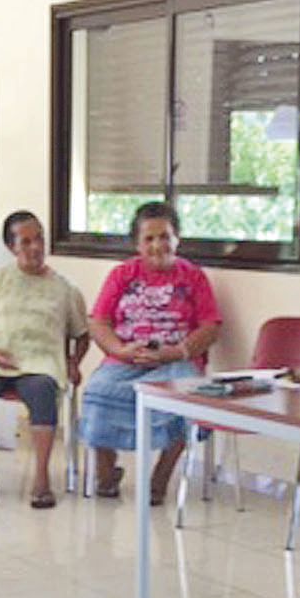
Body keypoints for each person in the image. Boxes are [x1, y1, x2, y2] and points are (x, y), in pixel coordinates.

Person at [79, 201, 221, 503]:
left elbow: (210, 327)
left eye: (165, 237)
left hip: (176, 360)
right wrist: (122, 350)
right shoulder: (122, 274)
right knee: (96, 390)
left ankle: (160, 477)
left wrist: (176, 352)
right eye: (149, 239)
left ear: (177, 239)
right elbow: (98, 322)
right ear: (137, 244)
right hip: (127, 359)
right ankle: (107, 473)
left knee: (186, 395)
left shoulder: (193, 277)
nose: (158, 245)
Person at [0, 209, 89, 507]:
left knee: (43, 390)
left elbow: (82, 334)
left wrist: (73, 362)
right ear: (11, 247)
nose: (35, 247)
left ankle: (41, 478)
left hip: (40, 360)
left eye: (39, 239)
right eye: (26, 241)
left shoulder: (64, 288)